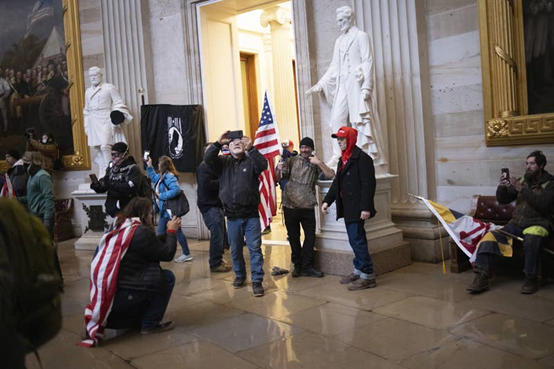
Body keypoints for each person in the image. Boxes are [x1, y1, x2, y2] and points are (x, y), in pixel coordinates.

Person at [82, 198, 179, 346]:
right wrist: (172, 231)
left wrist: (166, 233)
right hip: (122, 297)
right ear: (143, 213)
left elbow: (149, 245)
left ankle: (130, 319)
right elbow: (167, 254)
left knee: (152, 276)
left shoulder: (122, 226)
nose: (152, 217)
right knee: (166, 278)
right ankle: (150, 324)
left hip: (111, 295)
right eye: (151, 213)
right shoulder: (140, 232)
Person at [306, 5, 386, 169]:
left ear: (350, 19)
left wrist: (367, 88)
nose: (339, 24)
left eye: (342, 20)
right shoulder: (339, 41)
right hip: (342, 83)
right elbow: (334, 67)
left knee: (358, 120)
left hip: (356, 84)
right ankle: (338, 155)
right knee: (337, 119)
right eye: (338, 21)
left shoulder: (361, 36)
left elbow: (368, 61)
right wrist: (320, 84)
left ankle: (360, 155)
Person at [467, 151, 554, 295]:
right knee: (490, 237)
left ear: (542, 165)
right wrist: (502, 187)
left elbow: (544, 205)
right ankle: (481, 277)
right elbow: (503, 200)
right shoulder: (523, 180)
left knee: (531, 240)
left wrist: (522, 190)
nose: (528, 167)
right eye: (526, 163)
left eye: (532, 164)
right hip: (516, 224)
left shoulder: (550, 184)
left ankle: (530, 279)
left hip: (538, 224)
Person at [204, 130, 268, 297]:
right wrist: (218, 143)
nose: (237, 144)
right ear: (228, 148)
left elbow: (263, 165)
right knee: (235, 249)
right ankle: (240, 276)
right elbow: (207, 159)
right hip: (232, 216)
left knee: (255, 248)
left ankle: (257, 281)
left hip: (251, 215)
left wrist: (252, 149)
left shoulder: (251, 161)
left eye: (240, 142)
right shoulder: (223, 163)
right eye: (233, 143)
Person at [322, 126, 377, 291]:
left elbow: (369, 185)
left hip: (358, 208)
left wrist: (365, 208)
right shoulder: (343, 159)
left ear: (351, 139)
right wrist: (327, 201)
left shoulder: (362, 158)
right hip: (347, 207)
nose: (339, 142)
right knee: (355, 240)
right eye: (338, 139)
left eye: (342, 139)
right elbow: (336, 184)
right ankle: (359, 270)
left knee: (357, 240)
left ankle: (368, 276)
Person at [276, 137, 334, 278]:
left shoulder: (315, 163)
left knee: (310, 237)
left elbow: (331, 175)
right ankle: (298, 266)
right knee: (294, 238)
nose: (304, 150)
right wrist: (279, 169)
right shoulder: (291, 160)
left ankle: (307, 266)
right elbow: (278, 178)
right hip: (290, 206)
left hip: (307, 206)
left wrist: (319, 162)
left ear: (312, 149)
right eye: (302, 147)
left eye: (307, 147)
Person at [17, 152, 62, 279]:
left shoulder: (42, 176)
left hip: (43, 216)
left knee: (47, 248)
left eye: (26, 161)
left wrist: (48, 219)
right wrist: (17, 200)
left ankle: (57, 279)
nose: (24, 164)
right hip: (35, 216)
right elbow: (32, 197)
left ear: (33, 161)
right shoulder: (32, 176)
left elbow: (49, 197)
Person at [83, 66, 132, 177]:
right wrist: (86, 125)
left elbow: (118, 102)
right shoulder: (88, 91)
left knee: (105, 146)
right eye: (91, 76)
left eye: (95, 75)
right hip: (93, 121)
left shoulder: (109, 88)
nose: (93, 78)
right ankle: (102, 172)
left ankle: (110, 173)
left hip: (105, 119)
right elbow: (86, 110)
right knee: (98, 148)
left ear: (101, 75)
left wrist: (116, 115)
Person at [146, 155, 193, 263]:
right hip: (164, 210)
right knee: (161, 231)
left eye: (159, 163)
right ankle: (161, 252)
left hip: (170, 209)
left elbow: (176, 190)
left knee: (177, 231)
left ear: (163, 165)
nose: (157, 165)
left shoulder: (169, 177)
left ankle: (186, 253)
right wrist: (149, 165)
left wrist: (161, 195)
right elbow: (153, 177)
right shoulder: (162, 176)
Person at [196, 143, 232, 272]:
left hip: (215, 204)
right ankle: (215, 263)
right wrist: (225, 181)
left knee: (220, 232)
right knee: (217, 233)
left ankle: (218, 259)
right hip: (209, 205)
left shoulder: (214, 166)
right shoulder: (204, 167)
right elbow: (207, 185)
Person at [90, 142, 143, 218]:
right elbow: (105, 183)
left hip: (129, 208)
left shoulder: (133, 168)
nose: (113, 158)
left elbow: (131, 187)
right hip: (114, 209)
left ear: (125, 154)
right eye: (112, 155)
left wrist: (112, 184)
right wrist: (97, 185)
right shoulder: (111, 168)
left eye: (116, 154)